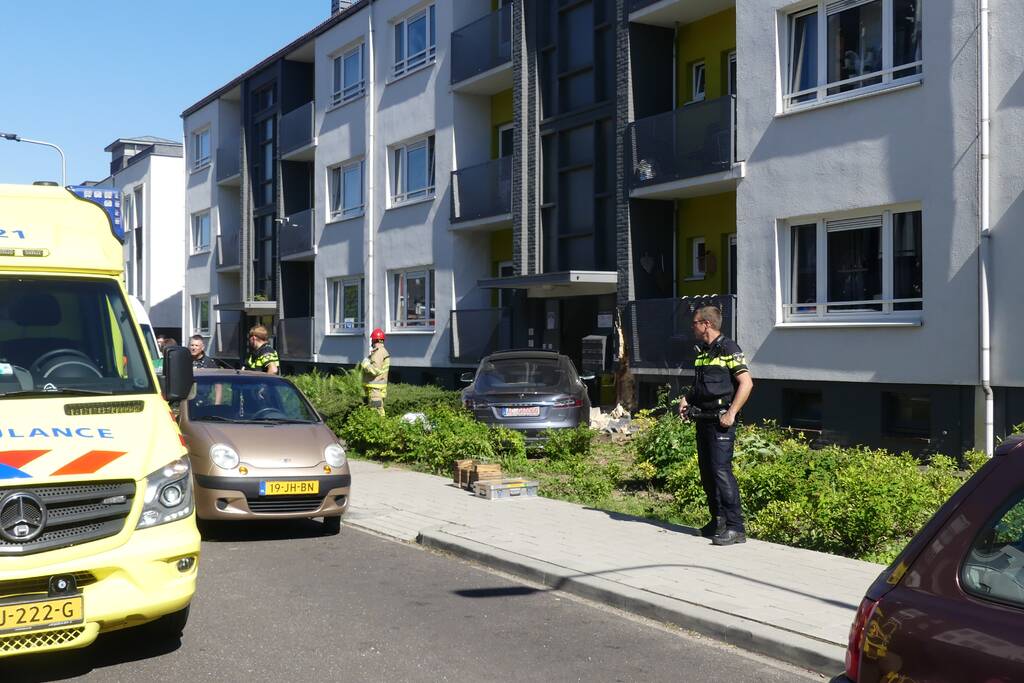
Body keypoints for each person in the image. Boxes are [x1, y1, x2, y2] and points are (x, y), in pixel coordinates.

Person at [678, 305, 753, 546]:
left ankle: (736, 528)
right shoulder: (702, 352)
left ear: (706, 324)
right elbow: (700, 385)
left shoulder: (729, 348)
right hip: (704, 419)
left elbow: (746, 383)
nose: (693, 328)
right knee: (708, 473)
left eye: (695, 323)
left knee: (721, 471)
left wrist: (731, 413)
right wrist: (686, 399)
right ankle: (718, 521)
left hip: (722, 422)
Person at [359, 328, 390, 415]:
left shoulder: (378, 352)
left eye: (372, 339)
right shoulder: (382, 351)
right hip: (377, 387)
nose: (371, 342)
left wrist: (365, 364)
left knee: (376, 410)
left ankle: (379, 423)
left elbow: (375, 370)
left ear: (374, 340)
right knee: (377, 408)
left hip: (375, 388)